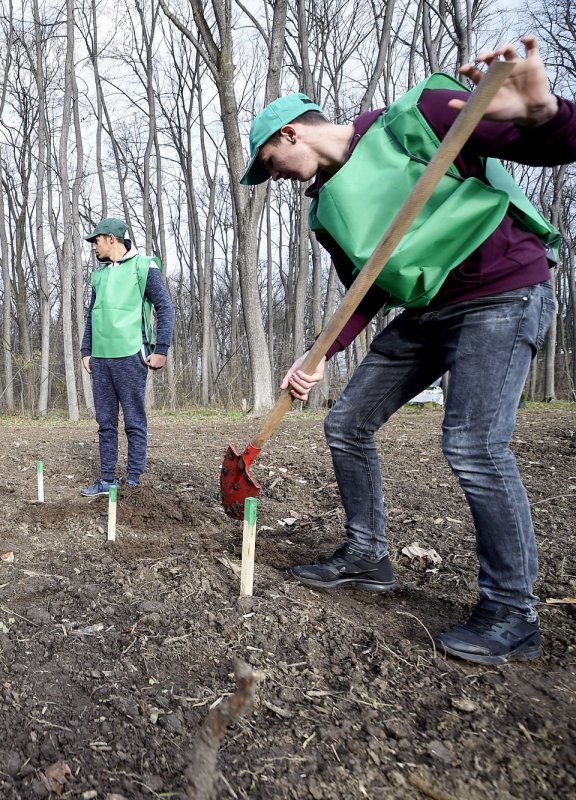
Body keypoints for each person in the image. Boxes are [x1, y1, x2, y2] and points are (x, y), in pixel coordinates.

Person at [244, 37, 574, 665]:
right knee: (347, 422)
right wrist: (316, 356)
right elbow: (364, 294)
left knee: (473, 444)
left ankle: (512, 612)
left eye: (269, 163)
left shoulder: (421, 116)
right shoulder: (328, 212)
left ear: (291, 135)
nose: (275, 179)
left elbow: (556, 145)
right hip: (428, 313)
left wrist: (544, 112)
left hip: (500, 293)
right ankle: (367, 555)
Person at [79, 218, 175, 497]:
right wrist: (86, 351)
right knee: (105, 422)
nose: (93, 247)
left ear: (111, 239)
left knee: (134, 420)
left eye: (95, 241)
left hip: (132, 355)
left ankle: (133, 481)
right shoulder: (99, 276)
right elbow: (92, 316)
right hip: (101, 358)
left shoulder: (145, 266)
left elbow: (165, 308)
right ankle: (107, 479)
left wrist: (161, 349)